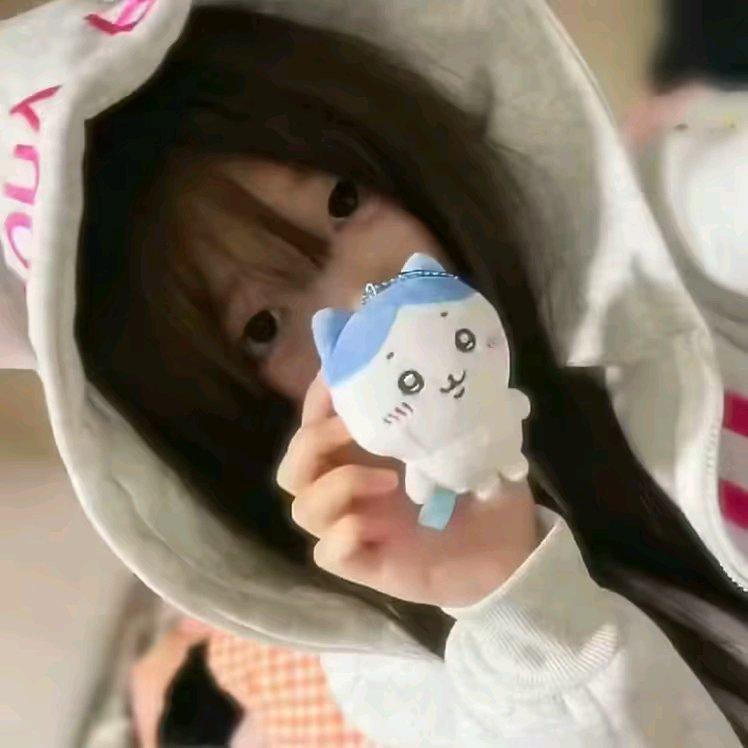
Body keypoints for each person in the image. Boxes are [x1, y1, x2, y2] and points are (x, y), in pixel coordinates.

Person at [1, 2, 746, 745]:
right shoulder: (397, 671)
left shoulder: (662, 232)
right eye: (264, 325)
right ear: (222, 410)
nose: (369, 298)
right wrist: (504, 591)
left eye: (344, 200)